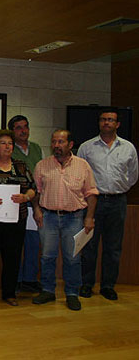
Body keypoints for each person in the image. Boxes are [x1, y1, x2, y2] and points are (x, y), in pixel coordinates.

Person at [32, 129, 98, 311]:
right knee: (47, 257)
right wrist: (36, 210)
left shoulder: (82, 165)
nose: (56, 146)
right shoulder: (42, 165)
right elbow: (36, 192)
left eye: (60, 142)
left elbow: (91, 194)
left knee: (73, 258)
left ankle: (71, 293)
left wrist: (89, 218)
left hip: (74, 218)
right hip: (48, 217)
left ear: (70, 145)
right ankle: (47, 290)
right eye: (54, 142)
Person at [78, 108, 137, 301]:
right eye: (103, 119)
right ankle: (87, 284)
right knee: (89, 245)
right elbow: (80, 174)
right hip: (93, 201)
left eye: (110, 120)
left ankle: (108, 286)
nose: (106, 123)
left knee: (113, 247)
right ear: (99, 123)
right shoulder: (87, 147)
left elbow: (133, 175)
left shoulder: (128, 148)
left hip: (118, 201)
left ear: (117, 124)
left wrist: (118, 188)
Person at [0, 129, 36, 307]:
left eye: (10, 143)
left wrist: (25, 197)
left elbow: (33, 188)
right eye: (3, 143)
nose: (7, 146)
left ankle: (9, 293)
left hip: (16, 221)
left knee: (13, 257)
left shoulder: (21, 166)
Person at [8, 115, 44, 294]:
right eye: (18, 128)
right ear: (12, 132)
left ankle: (29, 279)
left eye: (25, 126)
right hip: (16, 201)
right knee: (15, 244)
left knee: (33, 242)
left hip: (35, 200)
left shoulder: (36, 148)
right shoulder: (9, 150)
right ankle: (15, 279)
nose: (23, 130)